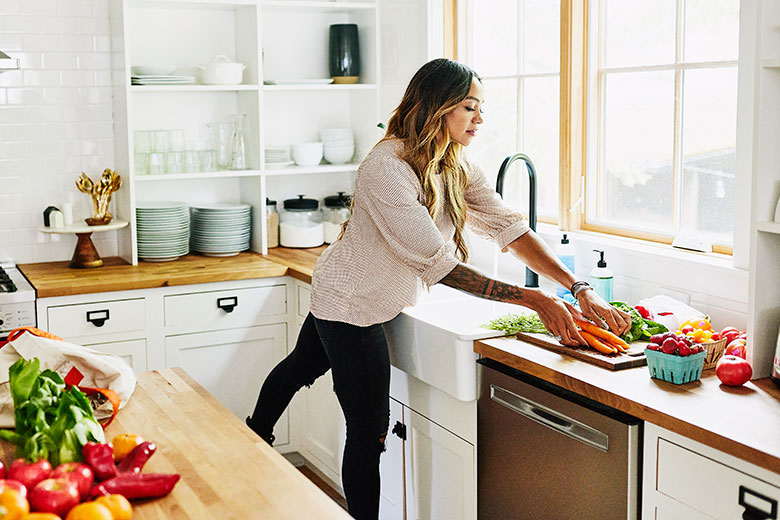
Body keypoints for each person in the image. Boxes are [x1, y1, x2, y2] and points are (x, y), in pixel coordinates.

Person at [246, 58, 631, 520]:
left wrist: (578, 285)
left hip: (365, 293)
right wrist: (531, 296)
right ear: (438, 106)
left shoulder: (453, 164)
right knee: (369, 433)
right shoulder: (385, 168)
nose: (480, 119)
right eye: (470, 107)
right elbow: (439, 264)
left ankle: (251, 440)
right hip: (352, 304)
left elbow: (508, 227)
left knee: (297, 367)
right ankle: (256, 443)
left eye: (480, 108)